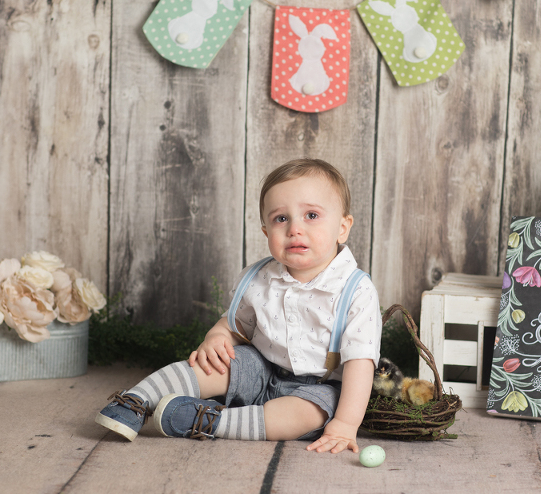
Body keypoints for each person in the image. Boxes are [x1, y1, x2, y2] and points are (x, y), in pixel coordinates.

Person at [95, 158, 381, 454]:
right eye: (281, 218)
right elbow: (237, 324)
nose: (295, 228)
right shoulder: (259, 278)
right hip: (261, 368)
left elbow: (360, 364)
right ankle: (135, 400)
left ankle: (206, 420)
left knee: (309, 413)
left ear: (342, 228)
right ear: (266, 232)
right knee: (218, 364)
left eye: (311, 215)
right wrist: (217, 336)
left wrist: (346, 423)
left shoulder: (356, 291)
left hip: (318, 386)